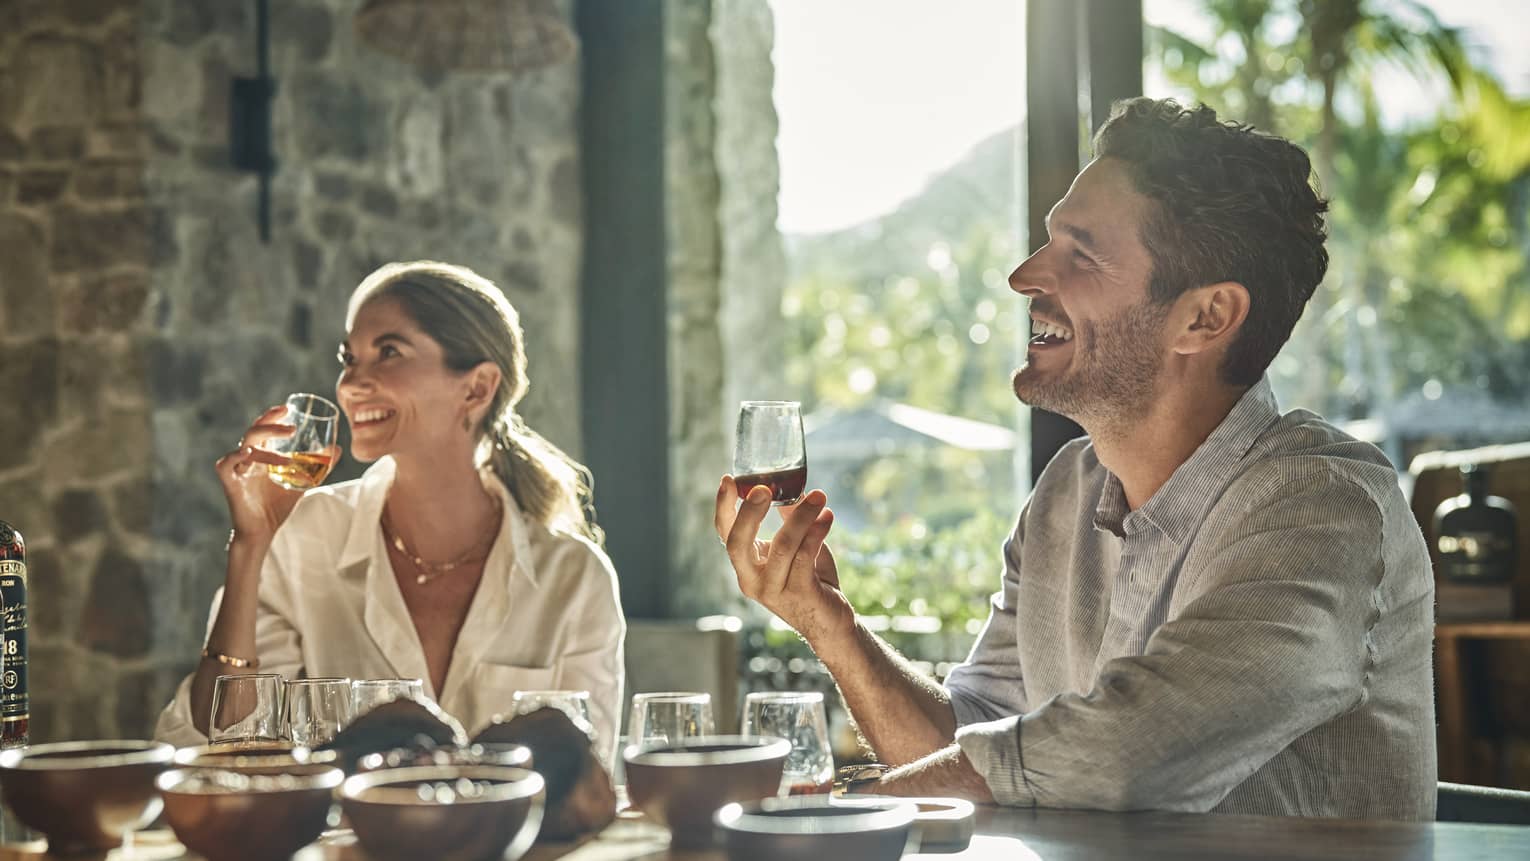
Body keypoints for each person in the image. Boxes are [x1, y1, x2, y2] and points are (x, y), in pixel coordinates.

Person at [715, 98, 1436, 820]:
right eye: (1046, 242)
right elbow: (972, 742)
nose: (1025, 275)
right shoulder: (1068, 490)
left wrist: (836, 815)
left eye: (1079, 254)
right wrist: (828, 623)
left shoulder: (1322, 506)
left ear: (1205, 317)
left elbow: (1125, 755)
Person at [157, 261, 626, 765]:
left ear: (476, 388)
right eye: (348, 358)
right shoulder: (304, 536)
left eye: (389, 353)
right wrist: (250, 546)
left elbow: (587, 780)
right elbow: (218, 742)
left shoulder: (575, 579)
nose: (351, 384)